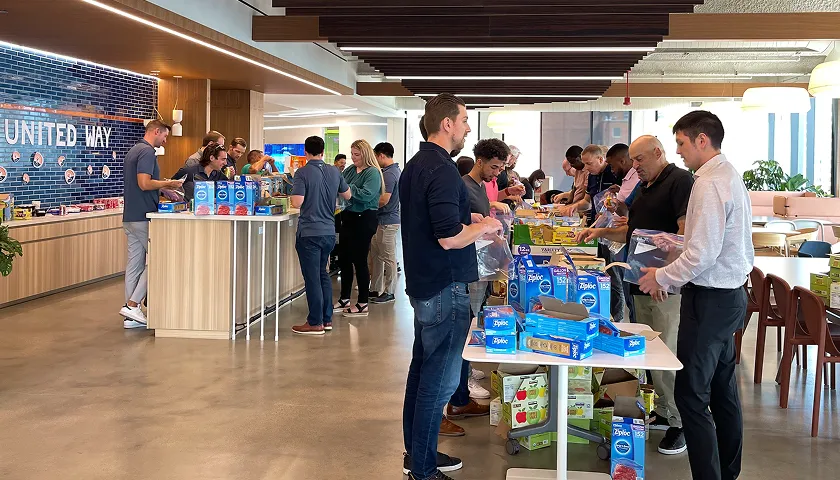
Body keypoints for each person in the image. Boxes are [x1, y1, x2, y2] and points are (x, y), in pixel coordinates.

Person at [638, 111, 752, 480]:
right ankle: (727, 473)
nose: (679, 152)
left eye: (682, 143)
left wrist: (661, 277)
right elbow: (711, 241)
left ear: (702, 140)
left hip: (710, 300)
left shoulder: (707, 183)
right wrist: (675, 243)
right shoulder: (728, 175)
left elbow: (703, 255)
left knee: (689, 395)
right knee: (722, 393)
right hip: (732, 297)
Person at [400, 94, 502, 480]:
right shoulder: (441, 169)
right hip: (444, 287)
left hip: (425, 284)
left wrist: (468, 216)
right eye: (463, 120)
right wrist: (484, 227)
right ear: (446, 124)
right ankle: (423, 470)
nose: (467, 128)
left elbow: (433, 220)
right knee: (439, 383)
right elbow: (448, 238)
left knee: (422, 372)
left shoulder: (418, 165)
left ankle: (418, 454)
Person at [576, 135, 694, 456]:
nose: (634, 166)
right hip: (639, 280)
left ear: (658, 153)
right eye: (633, 160)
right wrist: (598, 230)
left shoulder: (680, 181)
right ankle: (664, 410)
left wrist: (664, 276)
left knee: (667, 351)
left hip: (665, 287)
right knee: (649, 351)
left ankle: (680, 423)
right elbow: (631, 231)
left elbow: (684, 236)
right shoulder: (646, 186)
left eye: (639, 160)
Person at [120, 120, 182, 328]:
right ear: (156, 131)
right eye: (164, 136)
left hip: (130, 216)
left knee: (134, 265)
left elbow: (142, 183)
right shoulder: (147, 152)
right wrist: (168, 183)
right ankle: (133, 304)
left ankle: (131, 316)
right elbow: (144, 183)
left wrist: (163, 190)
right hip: (143, 216)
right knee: (158, 258)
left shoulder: (134, 150)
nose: (165, 140)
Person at [289, 136, 352, 335]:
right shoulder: (334, 171)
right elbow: (348, 195)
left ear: (305, 152)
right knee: (323, 274)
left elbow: (297, 202)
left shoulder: (302, 172)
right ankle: (326, 319)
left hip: (309, 232)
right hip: (328, 231)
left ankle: (315, 322)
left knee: (312, 278)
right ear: (323, 152)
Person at [334, 139, 385, 317]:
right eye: (352, 155)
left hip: (364, 218)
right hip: (348, 216)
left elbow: (366, 194)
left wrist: (348, 190)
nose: (353, 158)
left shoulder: (372, 173)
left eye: (357, 155)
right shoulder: (350, 170)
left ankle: (363, 302)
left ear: (365, 154)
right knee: (344, 259)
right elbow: (339, 184)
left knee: (360, 260)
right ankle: (344, 297)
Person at [369, 142, 401, 304]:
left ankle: (389, 292)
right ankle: (375, 288)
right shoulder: (390, 171)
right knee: (377, 256)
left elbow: (384, 199)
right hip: (381, 221)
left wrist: (367, 204)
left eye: (375, 156)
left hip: (388, 221)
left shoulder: (389, 174)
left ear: (381, 155)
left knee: (388, 257)